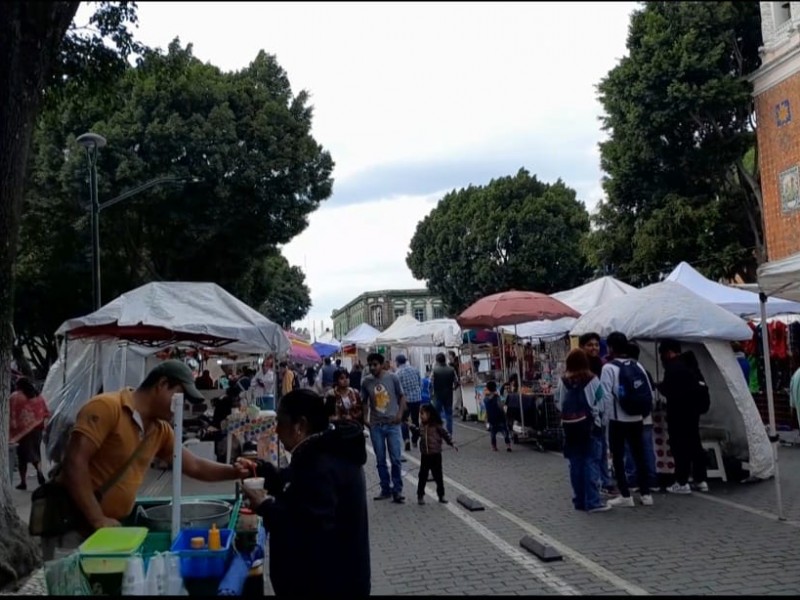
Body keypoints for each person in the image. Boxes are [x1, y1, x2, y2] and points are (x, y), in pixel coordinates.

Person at [44, 360, 251, 560]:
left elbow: (194, 466)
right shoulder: (107, 407)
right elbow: (75, 462)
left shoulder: (160, 431)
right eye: (180, 396)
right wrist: (97, 518)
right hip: (73, 525)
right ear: (162, 385)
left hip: (111, 529)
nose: (183, 405)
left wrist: (234, 471)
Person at [238, 389, 370, 597]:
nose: (276, 431)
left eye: (280, 423)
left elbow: (308, 527)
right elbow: (296, 484)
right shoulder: (321, 451)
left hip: (328, 585)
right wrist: (263, 471)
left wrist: (264, 505)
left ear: (299, 425)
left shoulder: (320, 464)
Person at [600, 332, 654, 508]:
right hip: (637, 419)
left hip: (618, 419)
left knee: (618, 457)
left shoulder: (608, 368)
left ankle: (625, 494)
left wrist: (604, 419)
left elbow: (605, 396)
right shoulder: (637, 365)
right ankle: (646, 494)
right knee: (639, 456)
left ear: (611, 348)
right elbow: (649, 393)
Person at [556, 349, 610, 513]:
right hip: (590, 427)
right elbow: (602, 401)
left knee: (575, 464)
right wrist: (601, 419)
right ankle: (593, 501)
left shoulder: (563, 381)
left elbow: (558, 402)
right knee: (591, 462)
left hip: (570, 428)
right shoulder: (592, 380)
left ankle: (579, 500)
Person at [658, 339, 709, 494]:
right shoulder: (691, 365)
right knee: (695, 444)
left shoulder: (673, 368)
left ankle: (681, 481)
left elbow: (671, 391)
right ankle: (701, 479)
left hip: (679, 413)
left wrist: (660, 386)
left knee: (680, 447)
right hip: (694, 412)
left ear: (667, 352)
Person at [361, 352, 407, 504]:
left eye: (375, 364)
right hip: (376, 426)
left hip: (393, 424)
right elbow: (364, 401)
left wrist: (400, 414)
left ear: (381, 364)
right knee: (380, 460)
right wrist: (365, 419)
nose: (373, 367)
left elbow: (402, 396)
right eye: (370, 365)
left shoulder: (392, 377)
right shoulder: (366, 382)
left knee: (395, 459)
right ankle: (385, 488)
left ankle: (397, 490)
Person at [579, 332, 616, 496]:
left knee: (601, 450)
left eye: (596, 344)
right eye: (589, 345)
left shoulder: (601, 364)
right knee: (593, 452)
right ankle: (596, 484)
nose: (594, 348)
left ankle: (605, 482)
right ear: (582, 347)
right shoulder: (580, 367)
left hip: (601, 413)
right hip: (587, 415)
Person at [624, 342, 658, 492]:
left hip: (629, 417)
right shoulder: (644, 371)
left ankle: (633, 479)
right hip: (646, 416)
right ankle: (652, 479)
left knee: (630, 449)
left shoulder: (623, 371)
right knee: (647, 449)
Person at [9, 377, 49, 489]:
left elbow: (11, 413)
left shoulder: (15, 397)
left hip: (22, 432)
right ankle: (39, 471)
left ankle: (23, 482)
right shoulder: (38, 396)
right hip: (37, 429)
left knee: (22, 457)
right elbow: (45, 411)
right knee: (35, 452)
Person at [416, 403, 457, 505]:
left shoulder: (436, 426)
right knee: (423, 476)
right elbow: (417, 432)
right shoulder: (421, 426)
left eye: (422, 414)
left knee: (438, 476)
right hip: (425, 455)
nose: (421, 416)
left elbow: (445, 434)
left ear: (429, 414)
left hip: (436, 455)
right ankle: (420, 495)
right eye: (420, 414)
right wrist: (410, 425)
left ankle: (441, 495)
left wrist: (452, 443)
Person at [395, 354, 422, 451]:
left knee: (404, 420)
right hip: (416, 398)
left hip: (405, 400)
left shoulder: (398, 373)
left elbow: (398, 389)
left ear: (397, 362)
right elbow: (420, 383)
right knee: (415, 420)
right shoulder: (415, 369)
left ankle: (406, 439)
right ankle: (415, 439)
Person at [431, 352, 459, 436]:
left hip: (437, 395)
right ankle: (449, 433)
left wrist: (431, 393)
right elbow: (456, 382)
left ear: (437, 361)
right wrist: (453, 388)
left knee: (437, 415)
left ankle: (438, 432)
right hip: (448, 395)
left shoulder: (434, 370)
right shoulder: (451, 369)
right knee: (449, 415)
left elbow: (430, 382)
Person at [482, 381, 511, 452]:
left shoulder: (485, 398)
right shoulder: (496, 397)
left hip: (491, 418)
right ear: (495, 388)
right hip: (500, 417)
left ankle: (494, 447)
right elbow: (500, 406)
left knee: (493, 434)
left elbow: (486, 408)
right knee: (505, 432)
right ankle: (508, 446)